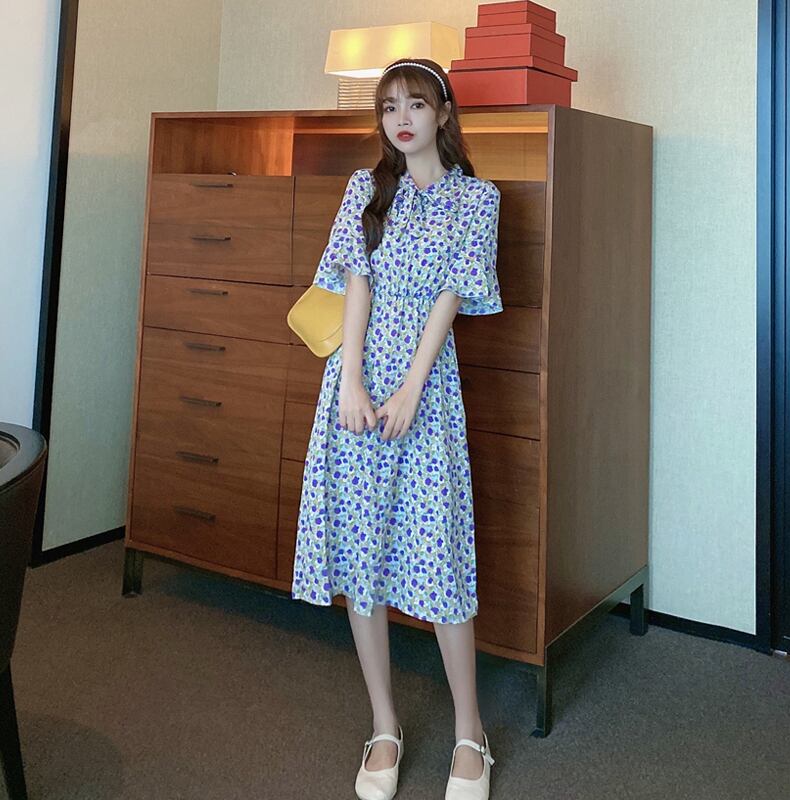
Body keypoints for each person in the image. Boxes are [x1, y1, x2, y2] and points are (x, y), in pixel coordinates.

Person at [291, 57, 503, 800]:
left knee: (439, 559)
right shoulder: (365, 188)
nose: (401, 119)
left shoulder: (477, 199)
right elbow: (356, 284)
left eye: (415, 104)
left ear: (443, 112)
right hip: (354, 391)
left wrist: (411, 387)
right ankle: (384, 725)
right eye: (388, 108)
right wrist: (349, 380)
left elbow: (452, 298)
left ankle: (470, 733)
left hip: (426, 391)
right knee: (360, 559)